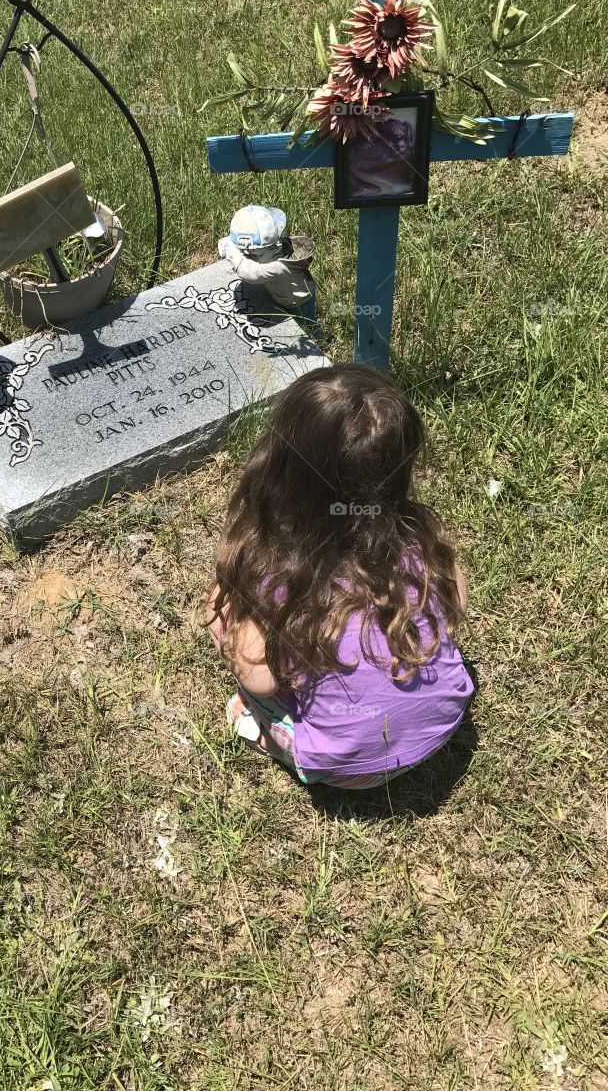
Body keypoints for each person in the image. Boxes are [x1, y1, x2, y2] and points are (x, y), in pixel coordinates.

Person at [206, 363, 473, 789]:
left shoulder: (275, 571)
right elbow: (456, 594)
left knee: (245, 679)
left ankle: (269, 732)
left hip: (352, 767)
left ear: (279, 466)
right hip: (445, 723)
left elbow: (259, 675)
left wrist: (227, 616)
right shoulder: (419, 538)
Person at [217, 204, 315, 314]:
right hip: (283, 295)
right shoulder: (271, 251)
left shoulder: (281, 267)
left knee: (306, 325)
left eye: (251, 253)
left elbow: (250, 273)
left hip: (298, 303)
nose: (248, 256)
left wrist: (233, 253)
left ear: (272, 247)